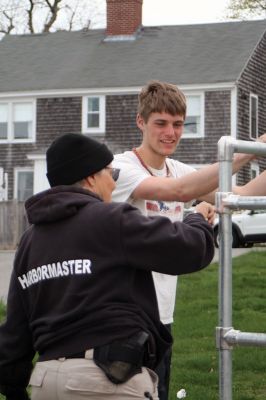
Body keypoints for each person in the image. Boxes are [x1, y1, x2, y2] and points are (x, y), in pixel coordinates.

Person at [0, 133, 215, 400]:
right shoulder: (111, 220)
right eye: (110, 175)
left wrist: (14, 390)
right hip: (107, 378)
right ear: (91, 177)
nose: (113, 187)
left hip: (46, 382)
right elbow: (189, 250)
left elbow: (14, 334)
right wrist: (197, 219)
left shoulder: (30, 241)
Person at [112, 80, 266, 400]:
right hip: (120, 318)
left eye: (178, 124)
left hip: (161, 318)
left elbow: (236, 194)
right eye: (161, 123)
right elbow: (179, 192)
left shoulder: (178, 169)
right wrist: (252, 147)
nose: (171, 132)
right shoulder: (120, 168)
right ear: (141, 122)